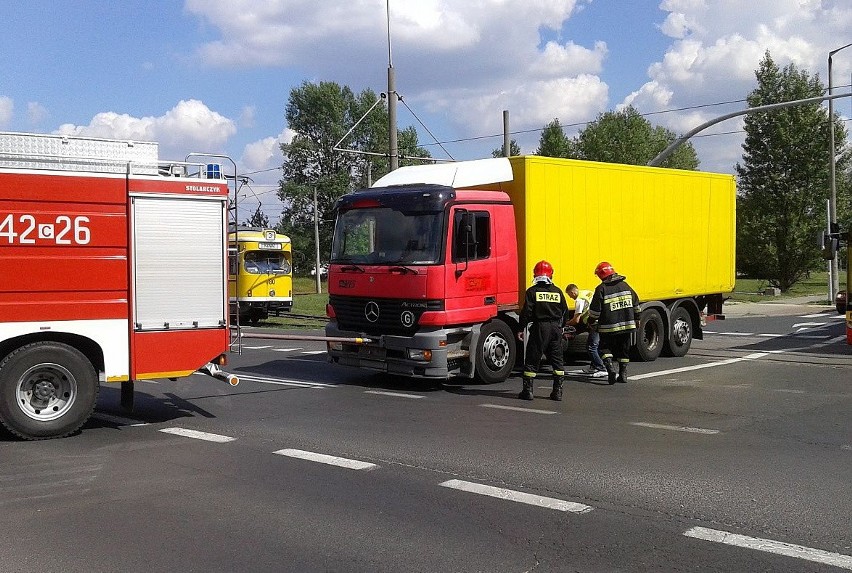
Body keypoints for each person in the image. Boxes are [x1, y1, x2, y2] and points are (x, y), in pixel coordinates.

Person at [517, 260, 569, 401]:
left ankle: (527, 391)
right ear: (551, 275)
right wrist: (561, 327)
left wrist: (521, 328)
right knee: (557, 360)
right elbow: (565, 311)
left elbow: (527, 312)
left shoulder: (532, 291)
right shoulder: (557, 291)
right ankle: (557, 393)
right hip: (555, 328)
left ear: (535, 275)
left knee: (533, 358)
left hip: (540, 328)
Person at [587, 262, 641, 385]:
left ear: (601, 275)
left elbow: (595, 311)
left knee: (604, 348)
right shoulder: (626, 286)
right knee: (623, 350)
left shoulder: (601, 289)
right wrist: (637, 319)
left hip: (608, 327)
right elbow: (636, 305)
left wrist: (590, 322)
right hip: (627, 326)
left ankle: (610, 368)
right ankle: (623, 374)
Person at [564, 283, 607, 377]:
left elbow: (576, 320)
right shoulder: (587, 293)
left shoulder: (579, 300)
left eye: (569, 295)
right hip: (601, 319)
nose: (571, 297)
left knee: (591, 347)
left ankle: (601, 368)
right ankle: (594, 366)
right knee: (597, 345)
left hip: (594, 323)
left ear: (573, 292)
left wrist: (566, 323)